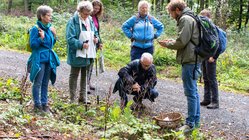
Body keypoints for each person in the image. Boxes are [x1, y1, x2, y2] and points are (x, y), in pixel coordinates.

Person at [158, 0, 201, 132]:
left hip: (190, 59)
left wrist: (168, 44)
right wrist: (172, 41)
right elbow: (186, 39)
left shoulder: (185, 19)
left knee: (190, 92)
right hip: (194, 57)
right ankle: (195, 120)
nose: (171, 16)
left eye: (171, 13)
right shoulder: (191, 17)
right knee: (194, 91)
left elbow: (182, 42)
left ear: (177, 10)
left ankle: (190, 124)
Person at [27, 5, 60, 113]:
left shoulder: (50, 28)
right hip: (39, 59)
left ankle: (44, 103)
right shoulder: (35, 29)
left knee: (46, 82)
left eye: (51, 15)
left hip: (49, 59)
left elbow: (50, 44)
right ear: (41, 16)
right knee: (38, 82)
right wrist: (40, 38)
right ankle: (37, 105)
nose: (51, 17)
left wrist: (54, 36)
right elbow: (33, 45)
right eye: (48, 15)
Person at [66, 1, 99, 104]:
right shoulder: (72, 21)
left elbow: (95, 32)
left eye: (88, 14)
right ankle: (72, 99)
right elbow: (70, 39)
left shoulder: (90, 20)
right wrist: (80, 44)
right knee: (74, 75)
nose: (87, 16)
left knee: (85, 75)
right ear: (79, 11)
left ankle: (83, 97)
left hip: (88, 52)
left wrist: (96, 38)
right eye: (85, 13)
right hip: (76, 53)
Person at [199, 9, 220, 109]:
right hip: (205, 56)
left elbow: (218, 44)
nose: (202, 19)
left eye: (204, 16)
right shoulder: (205, 28)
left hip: (211, 57)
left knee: (212, 79)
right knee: (206, 78)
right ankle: (207, 99)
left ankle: (215, 102)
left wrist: (214, 57)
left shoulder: (213, 28)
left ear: (209, 17)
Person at [87, 0, 104, 92]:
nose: (96, 10)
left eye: (98, 9)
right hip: (87, 43)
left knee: (91, 63)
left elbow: (97, 31)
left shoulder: (95, 17)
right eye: (95, 8)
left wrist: (100, 42)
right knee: (86, 63)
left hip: (95, 43)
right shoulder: (87, 16)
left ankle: (88, 82)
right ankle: (84, 84)